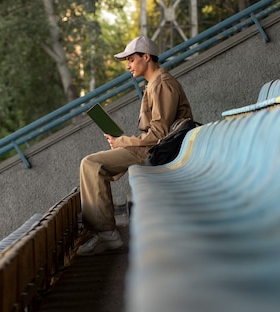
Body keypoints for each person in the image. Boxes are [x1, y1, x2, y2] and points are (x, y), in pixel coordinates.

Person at [76, 36, 193, 256]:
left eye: (131, 59)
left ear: (146, 57)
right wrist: (123, 142)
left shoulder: (162, 84)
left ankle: (106, 234)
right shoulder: (154, 84)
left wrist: (122, 142)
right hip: (154, 149)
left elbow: (160, 135)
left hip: (161, 152)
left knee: (91, 164)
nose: (128, 66)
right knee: (92, 165)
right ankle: (102, 232)